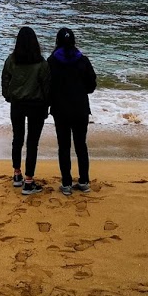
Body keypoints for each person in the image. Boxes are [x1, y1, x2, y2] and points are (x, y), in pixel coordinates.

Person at [1, 25, 50, 195]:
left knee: (17, 138)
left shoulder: (11, 60)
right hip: (36, 104)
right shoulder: (41, 62)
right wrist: (46, 105)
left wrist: (8, 96)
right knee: (32, 143)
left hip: (17, 104)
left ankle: (17, 174)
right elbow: (46, 87)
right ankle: (28, 181)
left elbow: (5, 79)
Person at [48, 27, 97, 196]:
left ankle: (67, 183)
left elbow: (47, 87)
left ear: (57, 42)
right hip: (80, 108)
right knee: (81, 145)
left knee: (64, 146)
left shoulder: (52, 61)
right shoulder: (83, 60)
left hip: (60, 110)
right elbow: (92, 86)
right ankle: (84, 181)